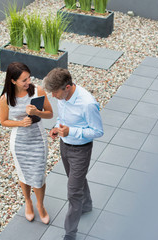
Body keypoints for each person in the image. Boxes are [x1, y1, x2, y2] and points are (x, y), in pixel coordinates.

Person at [43, 68, 104, 240]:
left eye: (55, 92)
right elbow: (62, 117)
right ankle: (86, 205)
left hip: (80, 150)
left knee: (73, 192)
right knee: (76, 178)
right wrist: (58, 127)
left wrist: (72, 131)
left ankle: (70, 234)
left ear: (67, 87)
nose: (53, 96)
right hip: (65, 145)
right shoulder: (62, 96)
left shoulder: (87, 103)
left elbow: (98, 131)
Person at [0, 62, 53, 224]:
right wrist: (20, 123)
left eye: (28, 77)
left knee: (38, 176)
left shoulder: (37, 91)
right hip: (19, 143)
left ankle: (40, 205)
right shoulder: (6, 99)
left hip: (38, 140)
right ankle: (28, 202)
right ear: (13, 81)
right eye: (24, 80)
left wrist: (37, 112)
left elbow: (50, 114)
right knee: (23, 174)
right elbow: (4, 121)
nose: (28, 81)